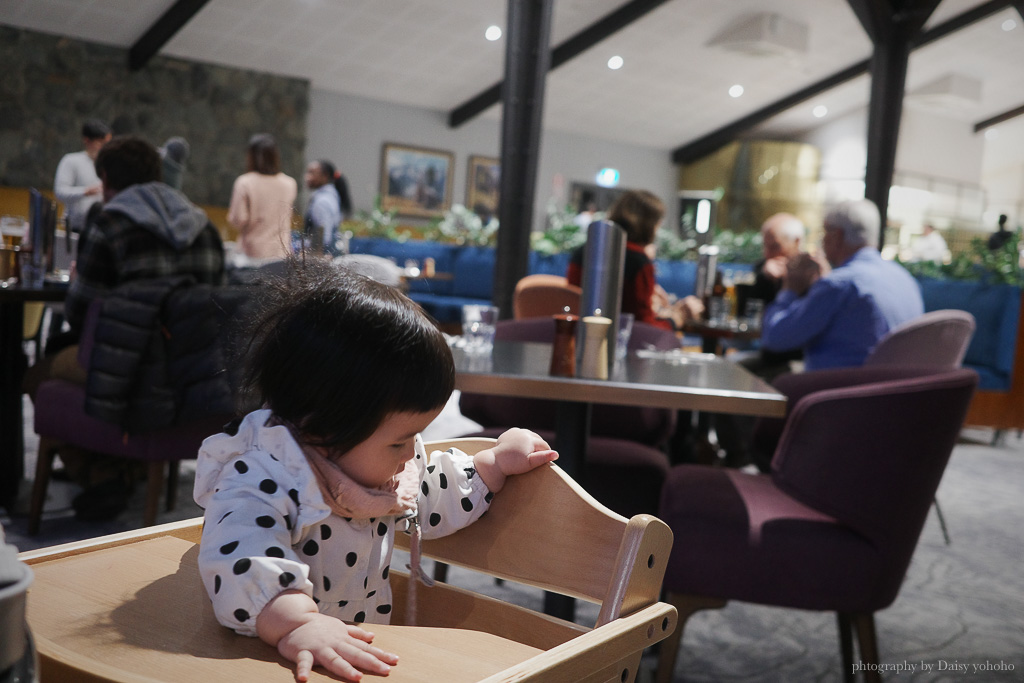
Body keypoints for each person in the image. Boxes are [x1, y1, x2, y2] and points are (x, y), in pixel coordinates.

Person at [194, 263, 558, 682]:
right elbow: (241, 553)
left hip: (355, 660)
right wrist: (297, 624)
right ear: (325, 424)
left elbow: (430, 493)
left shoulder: (379, 469)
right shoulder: (264, 476)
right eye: (399, 442)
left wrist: (492, 464)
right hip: (273, 662)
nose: (410, 455)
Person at [760, 198, 924, 371]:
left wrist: (789, 289)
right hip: (893, 390)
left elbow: (775, 338)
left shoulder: (838, 284)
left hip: (839, 391)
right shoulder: (906, 279)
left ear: (836, 236)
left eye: (824, 231)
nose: (822, 239)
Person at [566, 189, 702, 330]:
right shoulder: (638, 261)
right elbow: (643, 327)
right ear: (650, 225)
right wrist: (676, 319)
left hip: (576, 335)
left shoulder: (583, 250)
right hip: (618, 342)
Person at [228, 133, 298, 260]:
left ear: (251, 156)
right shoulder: (290, 183)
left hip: (252, 254)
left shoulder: (245, 182)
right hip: (281, 255)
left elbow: (238, 219)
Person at [53, 119, 111, 234]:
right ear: (87, 141)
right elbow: (59, 192)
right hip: (75, 228)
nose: (105, 147)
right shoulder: (71, 161)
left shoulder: (111, 164)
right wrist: (85, 192)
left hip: (103, 228)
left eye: (107, 143)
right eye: (100, 143)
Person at [303, 159, 351, 255]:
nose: (307, 177)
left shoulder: (322, 202)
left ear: (325, 176)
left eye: (312, 173)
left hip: (320, 257)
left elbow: (324, 238)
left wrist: (302, 247)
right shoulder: (331, 196)